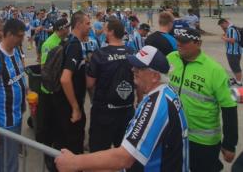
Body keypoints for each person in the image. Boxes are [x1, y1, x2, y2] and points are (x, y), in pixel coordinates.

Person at [55, 45, 189, 172]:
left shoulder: (156, 105)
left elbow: (124, 158)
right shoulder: (165, 92)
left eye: (139, 68)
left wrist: (74, 162)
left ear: (155, 76)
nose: (133, 70)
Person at [168, 28, 238, 172]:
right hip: (173, 135)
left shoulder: (215, 70)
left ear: (198, 43)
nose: (179, 44)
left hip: (203, 142)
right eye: (178, 41)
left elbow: (229, 107)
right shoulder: (170, 58)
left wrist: (229, 144)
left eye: (184, 42)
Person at [0, 19, 27, 172]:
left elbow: (19, 78)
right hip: (5, 122)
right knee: (10, 163)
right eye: (19, 36)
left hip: (17, 115)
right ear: (8, 34)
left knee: (2, 157)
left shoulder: (15, 52)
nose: (22, 39)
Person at [86, 19, 136, 153]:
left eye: (105, 28)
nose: (103, 31)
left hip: (104, 113)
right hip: (127, 110)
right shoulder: (132, 52)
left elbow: (89, 83)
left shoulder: (100, 54)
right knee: (125, 153)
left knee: (99, 154)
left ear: (111, 32)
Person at [53, 11, 91, 154]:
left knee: (64, 142)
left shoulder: (68, 41)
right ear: (79, 25)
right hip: (69, 105)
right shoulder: (74, 45)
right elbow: (65, 78)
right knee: (73, 145)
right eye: (87, 23)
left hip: (63, 102)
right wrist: (75, 107)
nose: (90, 27)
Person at [36, 18, 70, 171]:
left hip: (57, 90)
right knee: (47, 124)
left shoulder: (64, 40)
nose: (68, 30)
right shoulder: (49, 44)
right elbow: (45, 69)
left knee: (57, 124)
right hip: (49, 91)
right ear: (61, 28)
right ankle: (48, 157)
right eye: (67, 27)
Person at [218, 18, 242, 86]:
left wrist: (223, 38)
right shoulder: (232, 28)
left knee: (236, 67)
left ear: (225, 22)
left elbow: (232, 40)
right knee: (234, 66)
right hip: (234, 51)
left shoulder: (231, 29)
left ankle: (239, 82)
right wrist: (224, 31)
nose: (221, 27)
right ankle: (237, 79)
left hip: (233, 52)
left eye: (222, 25)